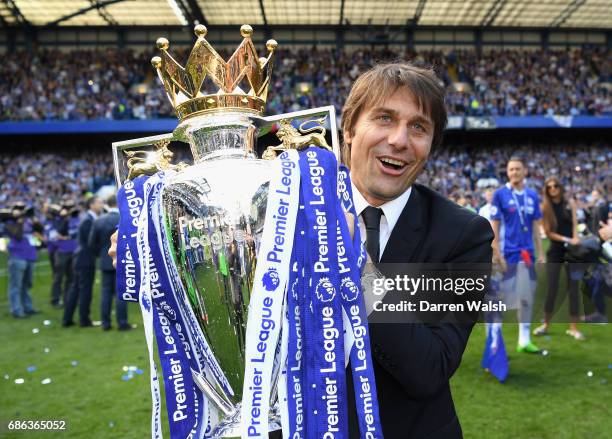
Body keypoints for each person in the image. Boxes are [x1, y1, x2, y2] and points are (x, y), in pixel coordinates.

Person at [341, 63, 493, 438]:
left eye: (419, 127)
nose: (398, 140)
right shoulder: (288, 212)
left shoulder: (463, 235)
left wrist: (356, 265)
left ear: (429, 147)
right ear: (348, 129)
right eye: (384, 118)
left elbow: (429, 369)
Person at [490, 156, 545, 353]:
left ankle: (524, 339)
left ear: (524, 171)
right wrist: (497, 253)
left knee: (526, 296)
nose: (514, 172)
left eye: (517, 169)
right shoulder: (500, 195)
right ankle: (495, 340)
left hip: (527, 254)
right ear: (507, 172)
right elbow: (494, 226)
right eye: (511, 169)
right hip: (508, 253)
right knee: (501, 298)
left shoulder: (532, 195)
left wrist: (540, 253)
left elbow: (536, 227)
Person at [533, 178, 584, 340]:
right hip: (555, 251)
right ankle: (546, 325)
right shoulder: (545, 207)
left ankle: (573, 328)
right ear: (546, 190)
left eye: (555, 186)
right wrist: (568, 240)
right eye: (549, 187)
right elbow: (548, 233)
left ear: (560, 187)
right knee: (552, 288)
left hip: (572, 252)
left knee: (574, 289)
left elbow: (575, 223)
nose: (553, 189)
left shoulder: (569, 204)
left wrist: (575, 239)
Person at [89, 194, 131, 331]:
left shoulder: (99, 220)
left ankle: (105, 323)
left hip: (105, 260)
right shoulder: (125, 218)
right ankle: (122, 322)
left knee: (106, 292)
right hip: (122, 260)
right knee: (121, 291)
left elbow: (91, 243)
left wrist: (101, 255)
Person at [62, 196, 104, 327]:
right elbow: (90, 242)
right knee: (85, 290)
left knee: (75, 289)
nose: (102, 205)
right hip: (85, 259)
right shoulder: (88, 220)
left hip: (80, 258)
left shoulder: (88, 219)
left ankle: (67, 319)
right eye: (99, 203)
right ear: (91, 205)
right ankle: (84, 319)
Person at [5, 208, 41, 318]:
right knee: (16, 285)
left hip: (30, 256)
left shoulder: (29, 221)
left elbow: (39, 231)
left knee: (27, 284)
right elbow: (18, 235)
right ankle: (16, 310)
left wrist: (34, 220)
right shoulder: (8, 224)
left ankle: (28, 307)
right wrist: (20, 222)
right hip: (17, 257)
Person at [51, 202, 79, 307]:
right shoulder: (58, 220)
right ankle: (55, 299)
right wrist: (64, 219)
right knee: (58, 277)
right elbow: (57, 232)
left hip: (72, 251)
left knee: (71, 277)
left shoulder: (76, 219)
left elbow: (75, 233)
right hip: (61, 251)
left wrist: (67, 237)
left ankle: (67, 299)